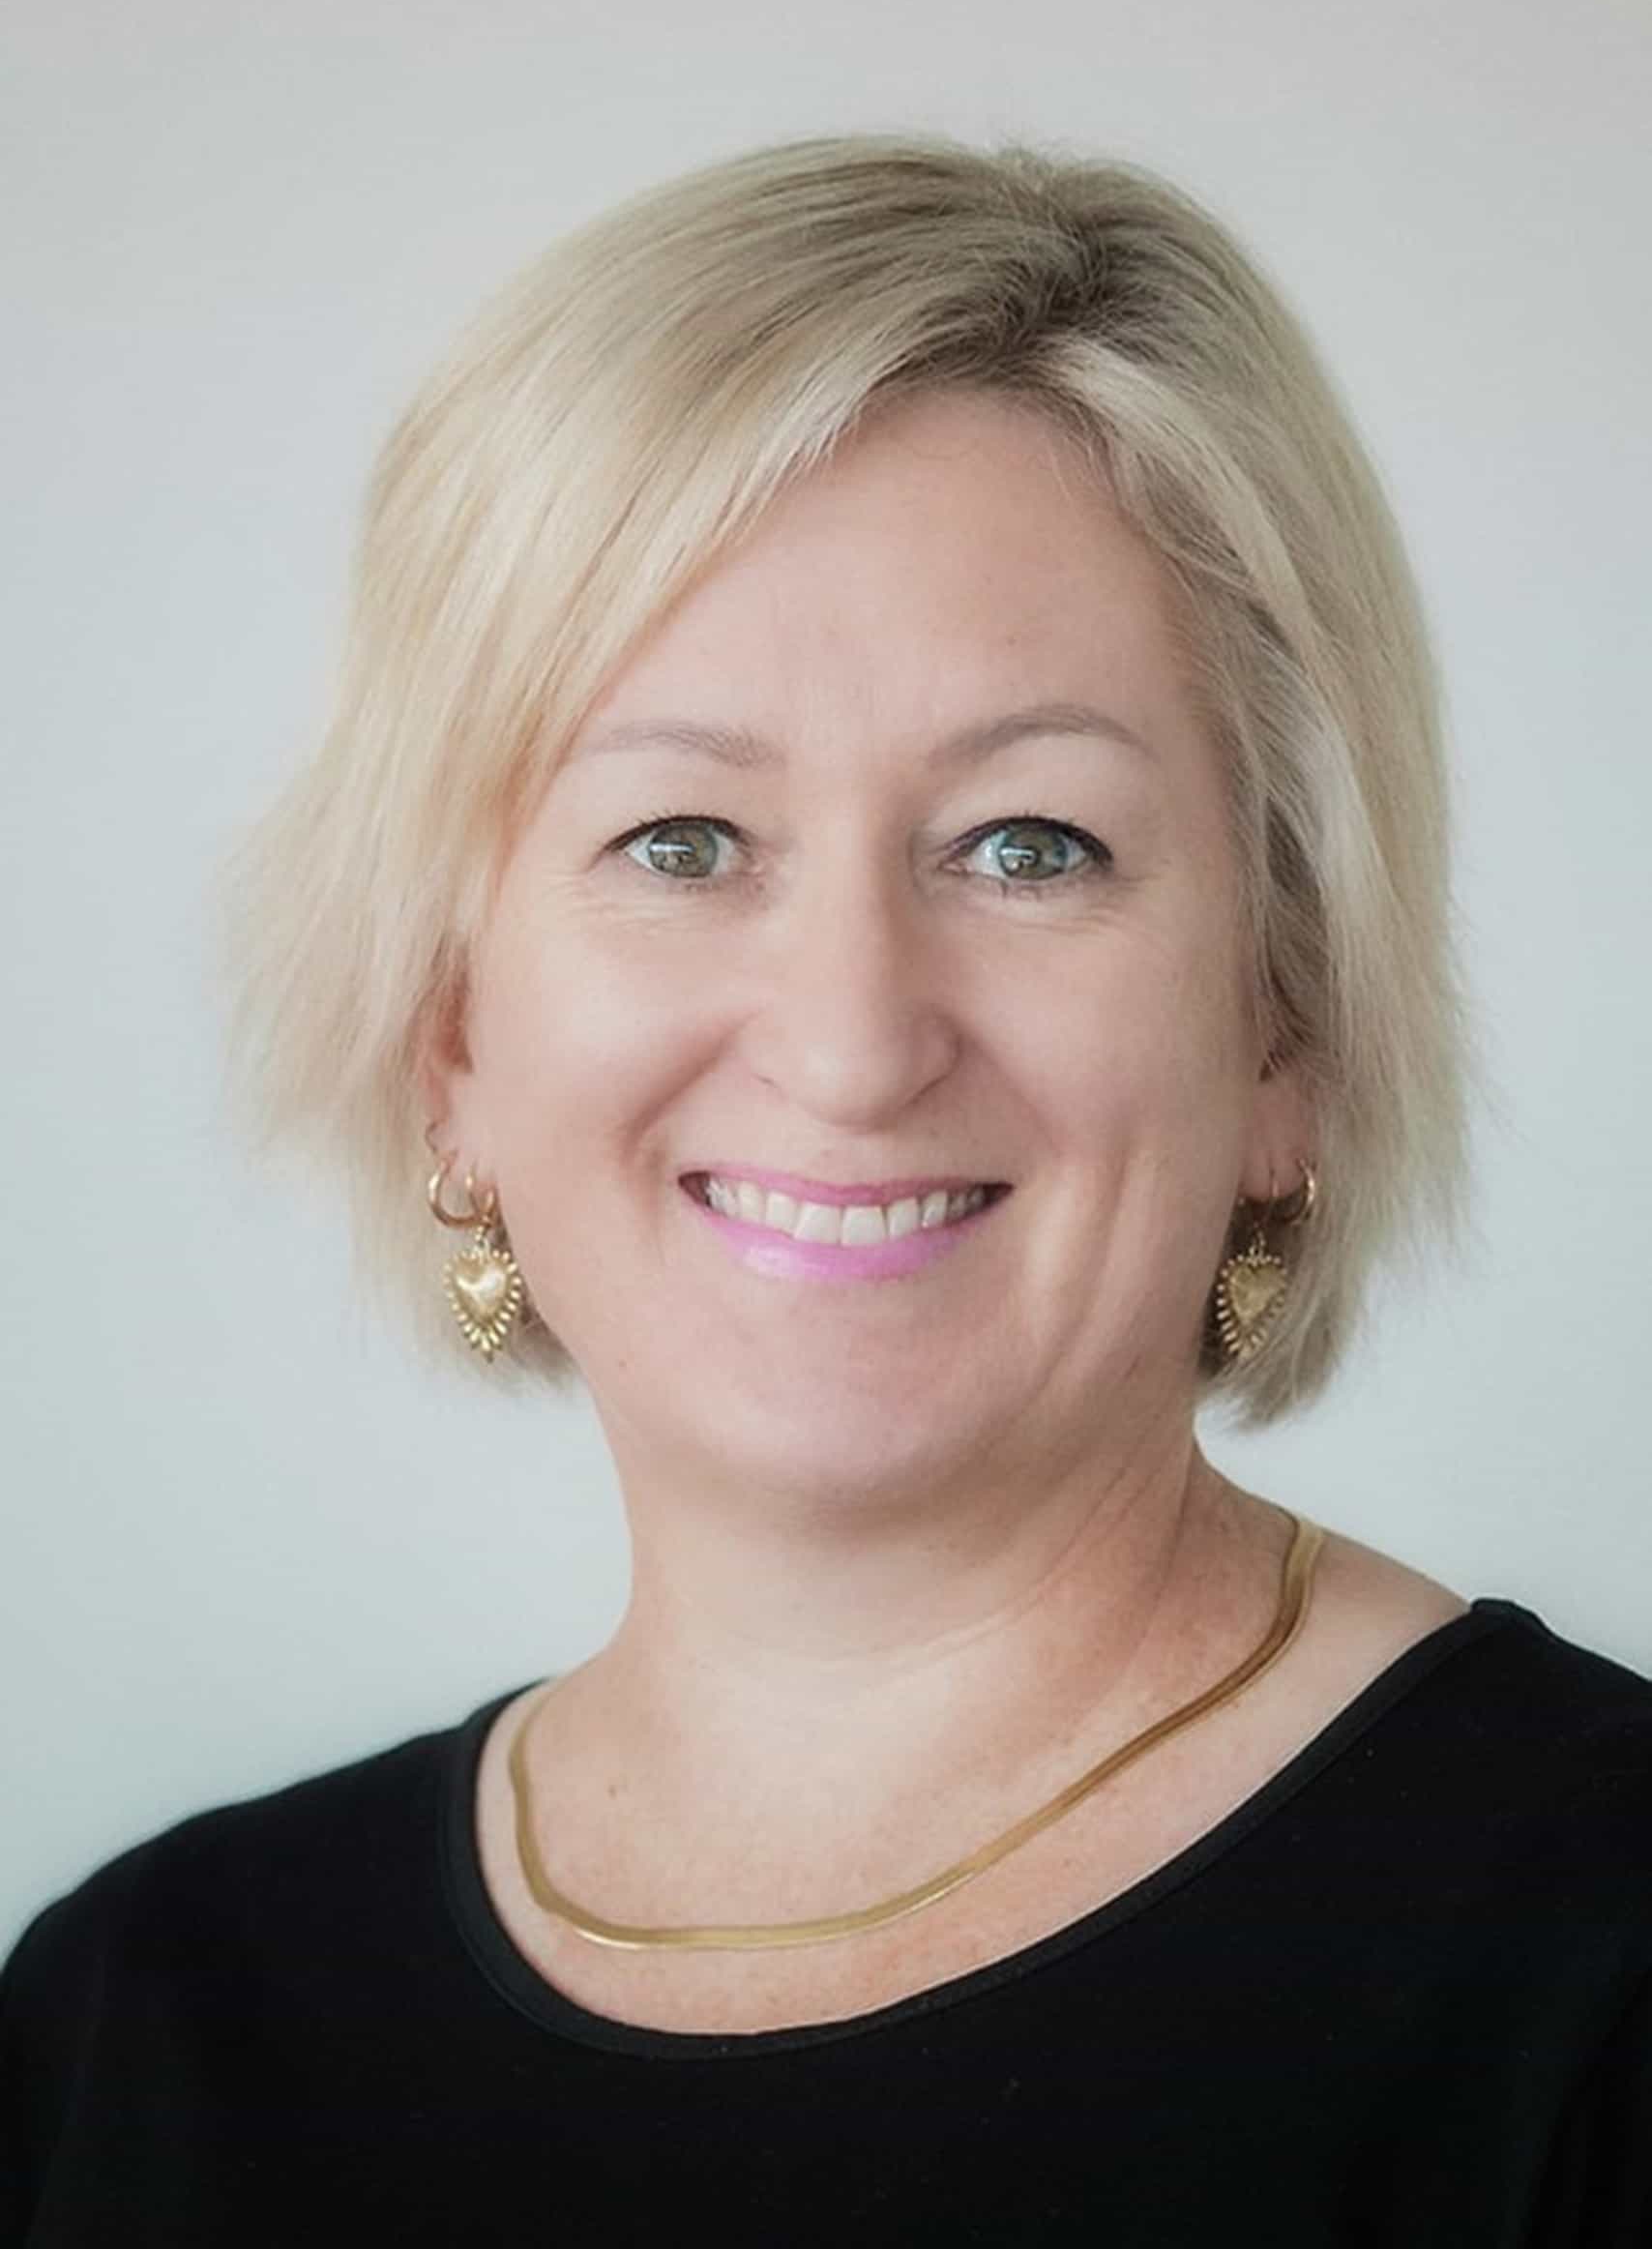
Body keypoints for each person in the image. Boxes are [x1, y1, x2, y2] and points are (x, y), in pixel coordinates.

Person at [3, 135, 1647, 2244]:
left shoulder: (1601, 1958)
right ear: (448, 1042)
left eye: (1029, 844)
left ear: (1284, 1030)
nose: (854, 1041)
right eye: (680, 841)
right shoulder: (128, 2029)